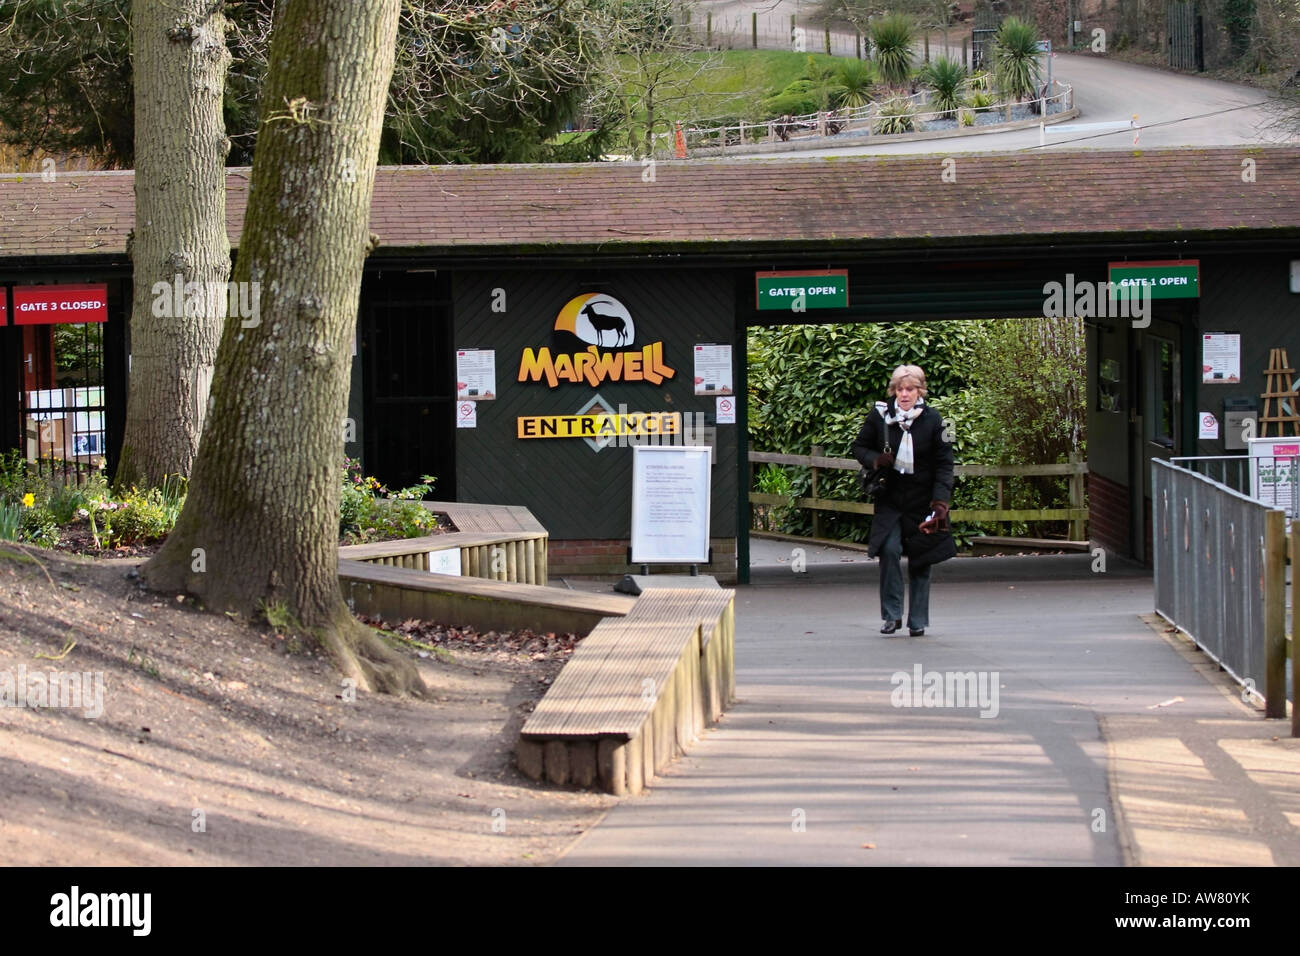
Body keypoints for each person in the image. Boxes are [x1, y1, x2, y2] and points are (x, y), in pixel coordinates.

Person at [851, 364, 954, 636]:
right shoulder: (879, 416)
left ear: (920, 391)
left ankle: (918, 620)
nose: (904, 394)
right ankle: (891, 615)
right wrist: (875, 459)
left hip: (923, 501)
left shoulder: (936, 420)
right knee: (889, 550)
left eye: (910, 389)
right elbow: (858, 446)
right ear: (894, 391)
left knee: (922, 559)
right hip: (890, 498)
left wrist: (940, 502)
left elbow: (945, 463)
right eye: (899, 389)